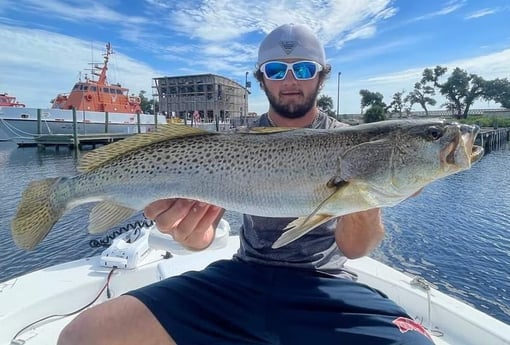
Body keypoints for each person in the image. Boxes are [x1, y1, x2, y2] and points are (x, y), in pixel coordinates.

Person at [58, 23, 434, 345]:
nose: (289, 81)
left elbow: (354, 250)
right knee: (82, 335)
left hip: (325, 284)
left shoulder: (357, 143)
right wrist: (184, 230)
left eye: (303, 69)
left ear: (321, 75)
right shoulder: (233, 141)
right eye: (276, 69)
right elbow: (200, 239)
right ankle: (63, 194)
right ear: (261, 77)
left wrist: (364, 192)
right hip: (242, 278)